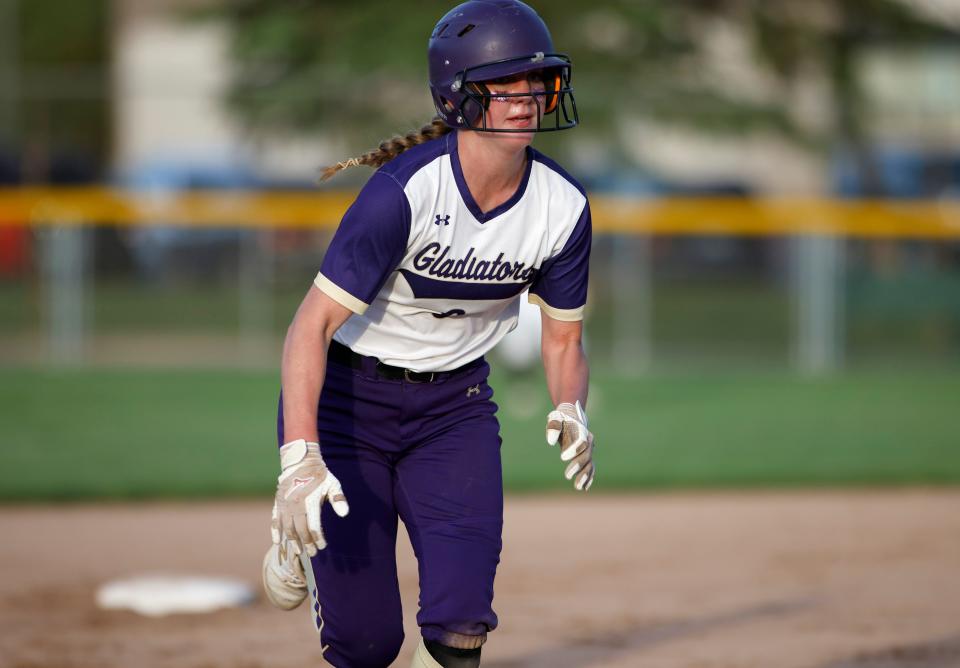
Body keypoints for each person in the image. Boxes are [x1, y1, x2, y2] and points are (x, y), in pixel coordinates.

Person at [261, 2, 595, 666]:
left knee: (462, 621)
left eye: (536, 79)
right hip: (351, 404)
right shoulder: (404, 193)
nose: (526, 97)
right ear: (457, 94)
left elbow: (562, 342)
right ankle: (298, 537)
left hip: (454, 412)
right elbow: (310, 327)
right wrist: (299, 460)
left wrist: (570, 404)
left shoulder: (564, 207)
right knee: (367, 643)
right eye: (504, 83)